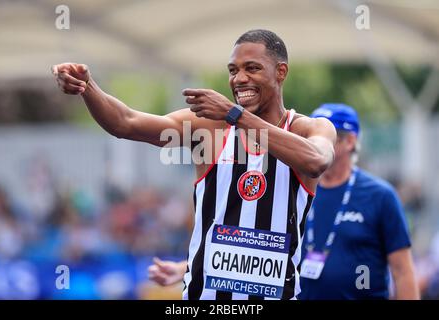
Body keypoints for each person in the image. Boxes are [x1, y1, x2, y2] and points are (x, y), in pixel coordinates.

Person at [52, 29, 336, 300]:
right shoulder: (210, 127)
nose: (239, 79)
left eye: (252, 68)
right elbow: (125, 123)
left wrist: (235, 114)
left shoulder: (307, 129)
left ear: (281, 72)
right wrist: (86, 87)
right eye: (233, 70)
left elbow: (316, 161)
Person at [298, 103, 419, 300]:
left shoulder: (380, 196)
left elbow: (402, 271)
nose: (317, 142)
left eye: (329, 136)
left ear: (350, 141)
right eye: (313, 135)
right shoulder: (298, 188)